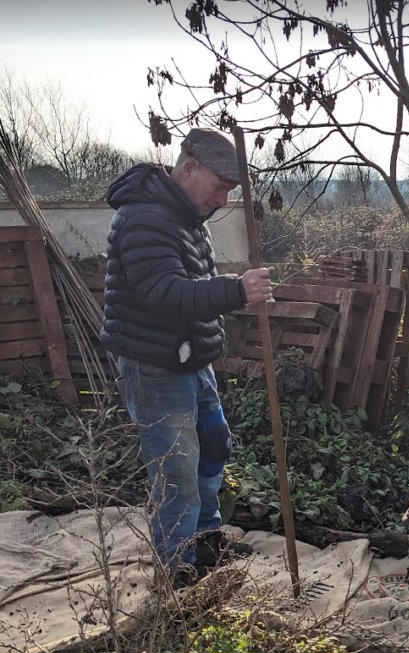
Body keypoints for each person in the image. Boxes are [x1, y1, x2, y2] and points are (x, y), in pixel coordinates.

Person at [100, 127, 274, 586]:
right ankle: (176, 567)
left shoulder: (185, 218)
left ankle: (205, 535)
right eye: (219, 186)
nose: (222, 199)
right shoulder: (145, 219)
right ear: (189, 167)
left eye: (230, 191)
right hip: (154, 366)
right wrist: (237, 290)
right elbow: (164, 294)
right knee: (175, 469)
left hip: (189, 360)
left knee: (215, 442)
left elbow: (192, 288)